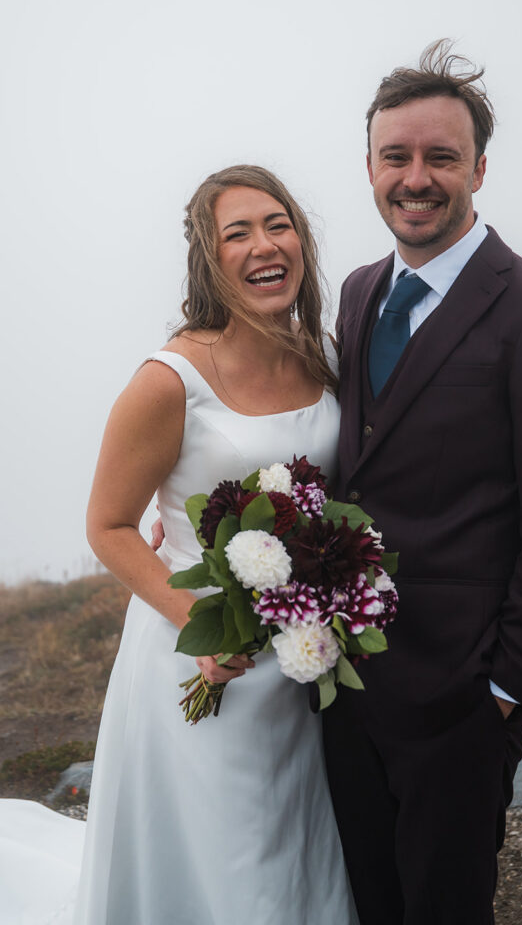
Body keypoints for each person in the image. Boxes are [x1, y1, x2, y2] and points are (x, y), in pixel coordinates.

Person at [322, 41, 522, 925]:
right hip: (343, 689)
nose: (417, 177)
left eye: (441, 157)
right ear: (368, 167)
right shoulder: (360, 292)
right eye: (395, 157)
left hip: (460, 705)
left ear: (479, 167)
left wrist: (504, 696)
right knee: (366, 903)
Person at [69, 165, 357, 923]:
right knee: (226, 869)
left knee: (293, 858)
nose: (265, 245)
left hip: (299, 664)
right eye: (239, 233)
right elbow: (108, 525)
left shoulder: (323, 357)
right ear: (210, 257)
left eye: (279, 224)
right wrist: (204, 626)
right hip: (197, 664)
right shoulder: (170, 381)